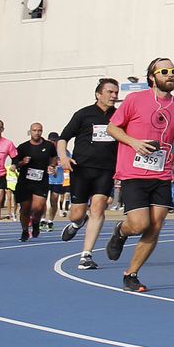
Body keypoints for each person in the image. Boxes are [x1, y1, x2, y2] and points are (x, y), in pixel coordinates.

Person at [104, 59, 174, 292]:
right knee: (139, 224)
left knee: (155, 227)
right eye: (165, 71)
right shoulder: (134, 100)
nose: (170, 75)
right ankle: (121, 230)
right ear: (152, 77)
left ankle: (131, 274)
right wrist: (134, 142)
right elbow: (112, 128)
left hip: (161, 174)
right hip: (133, 172)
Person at [58, 78, 121, 269]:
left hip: (106, 169)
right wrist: (63, 158)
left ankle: (86, 255)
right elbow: (63, 138)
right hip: (82, 169)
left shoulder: (119, 116)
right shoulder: (83, 114)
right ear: (98, 94)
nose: (114, 96)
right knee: (76, 214)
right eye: (110, 92)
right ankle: (77, 224)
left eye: (116, 93)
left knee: (98, 207)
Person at [11, 122, 58, 241]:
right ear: (30, 132)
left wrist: (52, 166)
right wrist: (22, 162)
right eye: (34, 130)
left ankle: (36, 222)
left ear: (42, 131)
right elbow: (15, 164)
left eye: (39, 130)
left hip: (41, 181)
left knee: (38, 207)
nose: (37, 133)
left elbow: (54, 158)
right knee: (25, 208)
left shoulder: (49, 146)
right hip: (25, 182)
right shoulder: (23, 147)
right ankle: (25, 231)